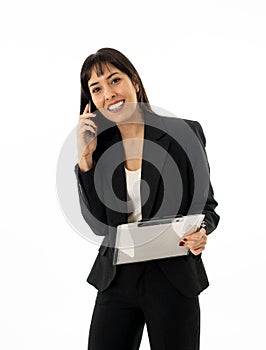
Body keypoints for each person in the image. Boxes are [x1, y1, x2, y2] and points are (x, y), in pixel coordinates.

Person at [74, 48, 220, 350]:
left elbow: (206, 206)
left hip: (173, 277)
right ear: (90, 101)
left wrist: (201, 230)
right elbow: (100, 225)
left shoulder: (183, 134)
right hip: (117, 278)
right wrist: (85, 161)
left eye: (115, 80)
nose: (109, 94)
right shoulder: (100, 148)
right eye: (97, 89)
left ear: (135, 82)